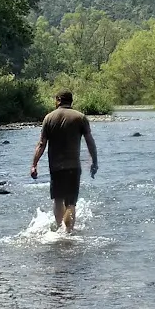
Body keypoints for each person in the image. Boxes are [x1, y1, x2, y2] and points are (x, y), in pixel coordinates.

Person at [30, 89, 98, 233]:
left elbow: (41, 144)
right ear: (71, 101)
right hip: (73, 167)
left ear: (58, 100)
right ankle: (69, 232)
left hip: (56, 168)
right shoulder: (80, 117)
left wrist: (34, 164)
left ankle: (60, 231)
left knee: (58, 200)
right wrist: (94, 161)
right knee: (71, 203)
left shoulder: (49, 118)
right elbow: (90, 142)